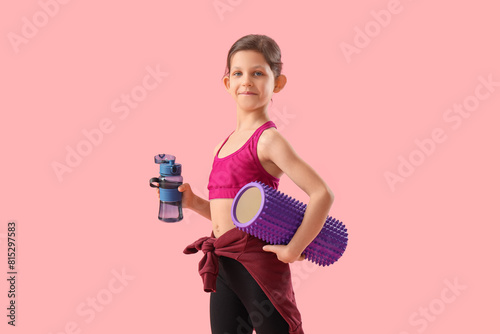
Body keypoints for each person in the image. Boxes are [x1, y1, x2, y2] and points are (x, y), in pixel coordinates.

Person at [169, 34, 334, 334]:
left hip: (257, 263)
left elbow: (322, 193)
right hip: (222, 262)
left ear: (278, 83)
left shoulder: (268, 140)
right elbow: (235, 213)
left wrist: (293, 250)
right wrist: (193, 203)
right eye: (238, 73)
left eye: (258, 73)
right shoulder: (224, 144)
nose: (247, 81)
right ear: (227, 84)